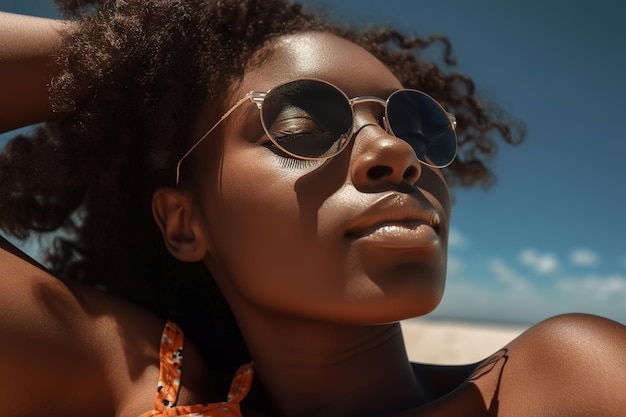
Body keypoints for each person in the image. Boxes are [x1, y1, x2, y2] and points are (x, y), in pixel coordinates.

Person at [1, 1, 625, 416]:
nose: (395, 150)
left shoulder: (562, 382)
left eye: (417, 124)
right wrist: (134, 63)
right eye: (300, 123)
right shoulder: (146, 381)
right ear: (184, 223)